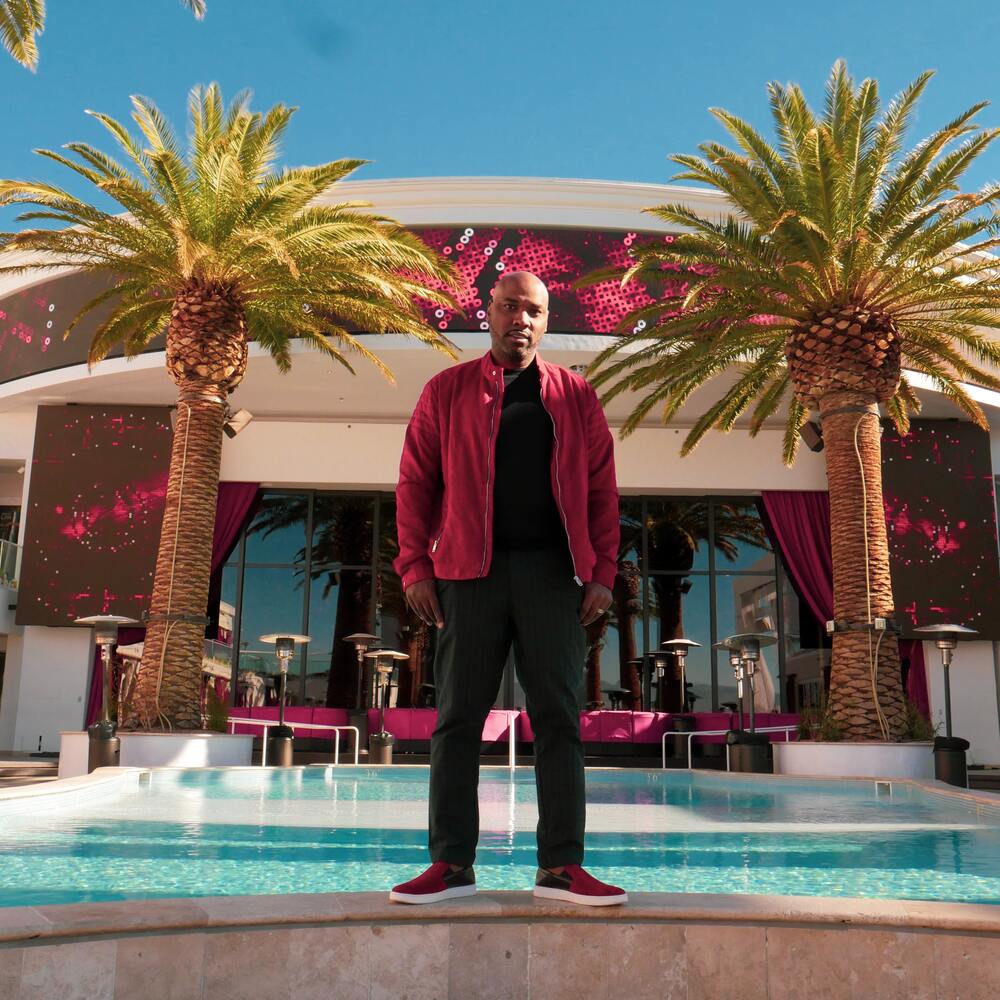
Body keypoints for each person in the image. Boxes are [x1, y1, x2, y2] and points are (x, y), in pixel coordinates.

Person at [388, 270, 626, 906]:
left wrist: (602, 571)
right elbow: (415, 483)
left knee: (560, 722)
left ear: (547, 322)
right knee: (457, 721)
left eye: (535, 311)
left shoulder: (576, 395)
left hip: (553, 576)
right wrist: (415, 567)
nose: (520, 319)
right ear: (487, 311)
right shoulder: (446, 391)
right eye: (510, 307)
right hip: (468, 575)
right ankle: (451, 865)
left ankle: (560, 868)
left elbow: (603, 488)